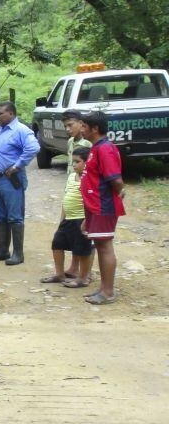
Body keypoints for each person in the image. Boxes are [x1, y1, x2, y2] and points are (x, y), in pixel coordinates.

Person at [0, 101, 40, 266]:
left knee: (14, 216)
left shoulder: (21, 130)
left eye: (1, 113)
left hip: (11, 179)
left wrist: (17, 165)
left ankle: (18, 253)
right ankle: (2, 250)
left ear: (11, 114)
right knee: (0, 216)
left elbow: (33, 148)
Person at [77, 110, 125, 304]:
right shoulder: (96, 148)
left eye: (84, 126)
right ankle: (104, 288)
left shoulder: (105, 149)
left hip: (103, 206)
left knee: (104, 246)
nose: (81, 129)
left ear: (95, 128)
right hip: (94, 206)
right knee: (99, 244)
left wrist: (119, 192)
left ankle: (108, 292)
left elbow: (115, 179)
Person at [41, 146, 93, 287]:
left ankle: (83, 277)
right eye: (73, 162)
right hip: (68, 218)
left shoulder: (90, 178)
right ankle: (60, 274)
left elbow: (91, 202)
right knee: (57, 243)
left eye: (78, 162)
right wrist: (61, 219)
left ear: (87, 163)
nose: (74, 165)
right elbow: (66, 198)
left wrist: (88, 221)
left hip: (81, 218)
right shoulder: (71, 177)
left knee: (82, 249)